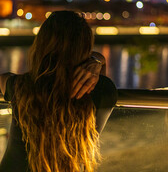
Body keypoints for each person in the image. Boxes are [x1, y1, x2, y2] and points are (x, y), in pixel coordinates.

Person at [0, 11, 117, 172]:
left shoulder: (21, 86)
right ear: (85, 46)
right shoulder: (103, 91)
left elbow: (3, 78)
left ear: (41, 45)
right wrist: (96, 60)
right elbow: (103, 78)